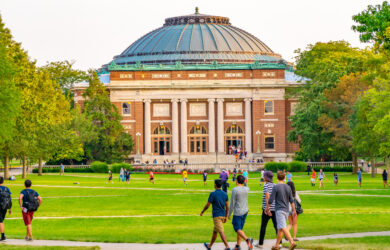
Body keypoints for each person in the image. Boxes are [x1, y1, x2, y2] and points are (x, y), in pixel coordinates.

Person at [265, 171, 297, 250]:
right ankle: (276, 246)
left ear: (277, 177)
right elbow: (291, 200)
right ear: (284, 178)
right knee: (280, 229)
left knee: (282, 227)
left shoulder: (276, 187)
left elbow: (270, 200)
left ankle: (292, 242)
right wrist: (294, 210)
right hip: (286, 210)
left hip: (279, 210)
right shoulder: (288, 187)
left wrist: (267, 208)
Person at [200, 179, 230, 250]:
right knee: (215, 231)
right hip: (223, 215)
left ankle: (227, 247)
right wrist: (226, 216)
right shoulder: (225, 194)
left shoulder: (213, 194)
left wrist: (202, 211)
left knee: (221, 231)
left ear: (215, 185)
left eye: (214, 184)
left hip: (217, 216)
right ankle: (209, 246)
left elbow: (207, 205)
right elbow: (227, 206)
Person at [228, 175, 253, 250]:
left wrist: (229, 213)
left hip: (238, 212)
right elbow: (246, 185)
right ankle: (238, 246)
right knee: (240, 229)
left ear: (237, 181)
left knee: (237, 228)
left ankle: (247, 240)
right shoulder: (246, 189)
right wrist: (245, 181)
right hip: (245, 211)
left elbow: (232, 203)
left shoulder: (235, 190)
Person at [257, 171, 278, 248]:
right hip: (275, 208)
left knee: (263, 226)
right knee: (276, 226)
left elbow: (267, 197)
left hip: (267, 209)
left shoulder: (266, 186)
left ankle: (260, 243)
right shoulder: (275, 185)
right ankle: (279, 242)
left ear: (266, 177)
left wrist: (267, 209)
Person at [0, 177, 12, 241]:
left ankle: (2, 236)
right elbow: (9, 198)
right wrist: (10, 208)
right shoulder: (6, 188)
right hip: (5, 206)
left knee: (0, 221)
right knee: (1, 220)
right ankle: (2, 235)